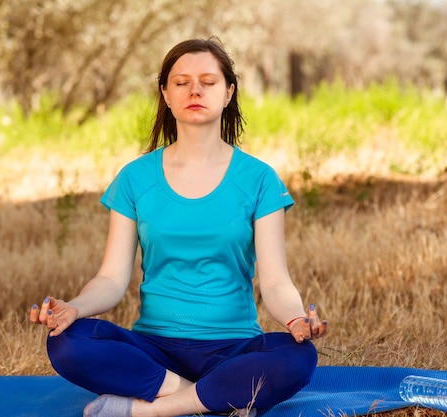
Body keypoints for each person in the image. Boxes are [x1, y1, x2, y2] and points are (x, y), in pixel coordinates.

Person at [30, 37, 328, 417]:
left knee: (297, 357)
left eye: (208, 81)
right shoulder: (135, 178)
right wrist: (73, 307)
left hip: (233, 349)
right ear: (166, 95)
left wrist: (295, 318)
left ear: (228, 93)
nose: (195, 90)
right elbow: (110, 279)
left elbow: (274, 281)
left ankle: (147, 410)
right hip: (154, 351)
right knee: (66, 342)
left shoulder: (260, 179)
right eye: (182, 82)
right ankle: (212, 399)